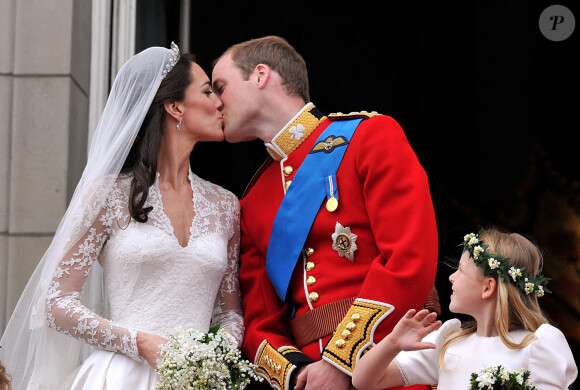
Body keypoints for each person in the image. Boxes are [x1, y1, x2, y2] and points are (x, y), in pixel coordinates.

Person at [0, 43, 244, 390]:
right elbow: (55, 302)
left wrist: (216, 352)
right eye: (207, 91)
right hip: (121, 378)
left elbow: (229, 313)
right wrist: (138, 342)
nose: (219, 102)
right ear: (175, 107)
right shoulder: (107, 195)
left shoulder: (226, 206)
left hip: (200, 381)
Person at [211, 35, 439, 390]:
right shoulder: (253, 200)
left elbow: (410, 260)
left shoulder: (369, 137)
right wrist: (299, 373)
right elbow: (259, 324)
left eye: (220, 87)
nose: (216, 104)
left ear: (260, 75)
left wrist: (341, 360)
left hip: (388, 367)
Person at [352, 227, 578, 389]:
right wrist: (392, 343)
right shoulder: (447, 342)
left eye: (460, 270)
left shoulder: (537, 345)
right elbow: (364, 381)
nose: (451, 277)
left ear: (488, 287)